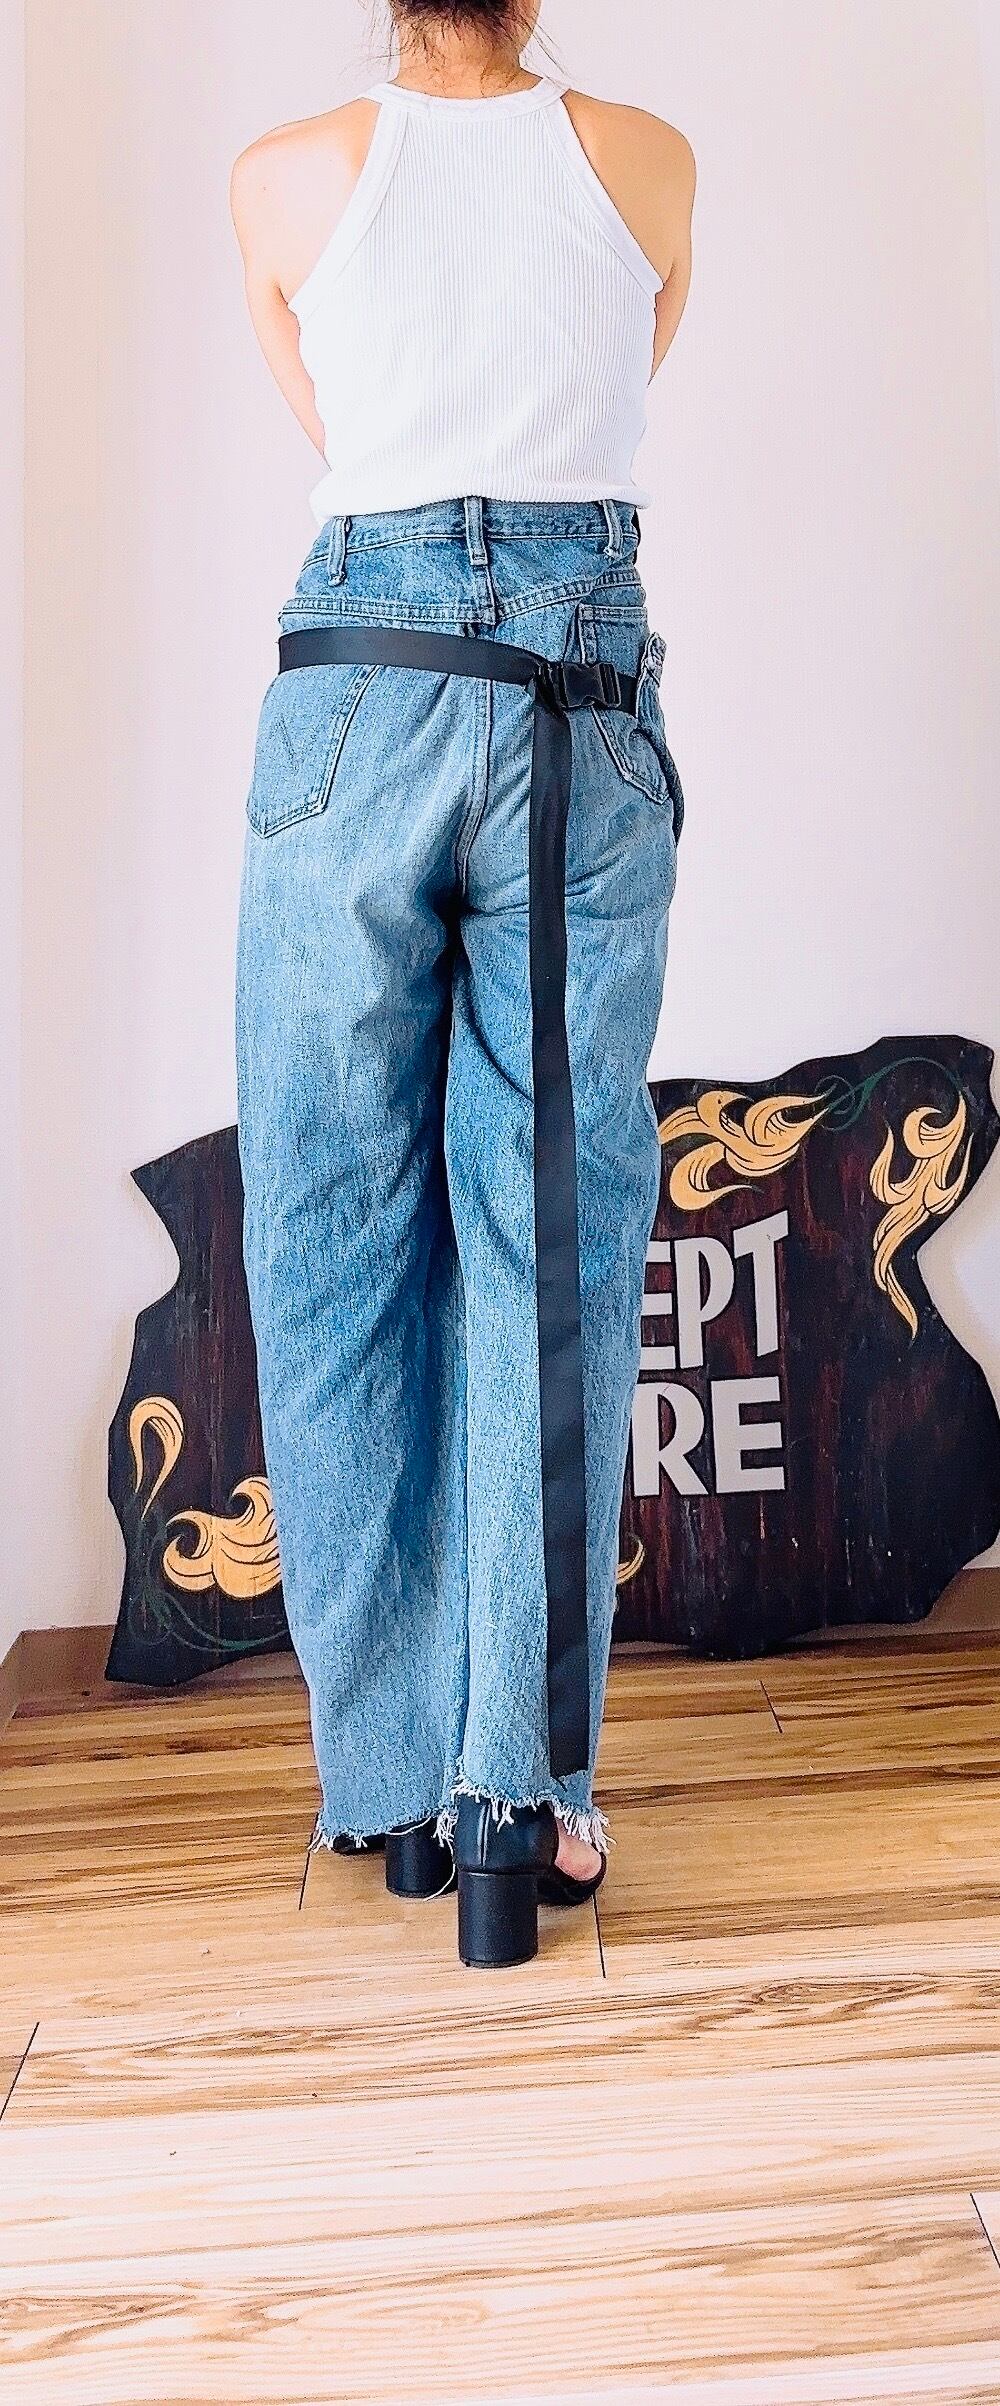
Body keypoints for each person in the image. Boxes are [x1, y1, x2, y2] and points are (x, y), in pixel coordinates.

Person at [230, 0, 695, 1967]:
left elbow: (350, 439)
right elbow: (612, 378)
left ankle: (394, 1786)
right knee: (543, 1248)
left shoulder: (281, 181)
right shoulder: (646, 166)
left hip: (357, 693)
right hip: (577, 700)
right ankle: (519, 1797)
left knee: (333, 1244)